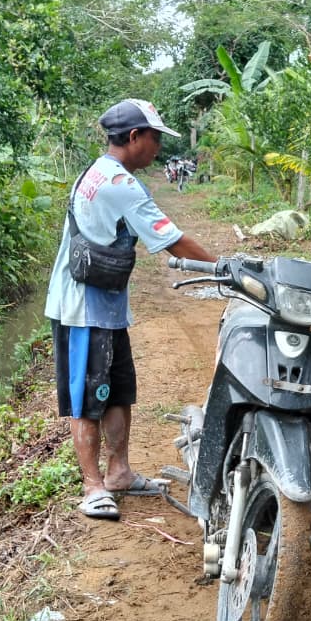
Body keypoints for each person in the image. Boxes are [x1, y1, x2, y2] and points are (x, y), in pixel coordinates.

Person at [45, 99, 216, 520]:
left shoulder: (98, 170)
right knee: (87, 397)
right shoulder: (120, 183)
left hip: (105, 304)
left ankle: (118, 472)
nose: (158, 148)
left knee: (118, 390)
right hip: (81, 308)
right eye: (155, 138)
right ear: (135, 137)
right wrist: (224, 268)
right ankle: (92, 486)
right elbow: (171, 240)